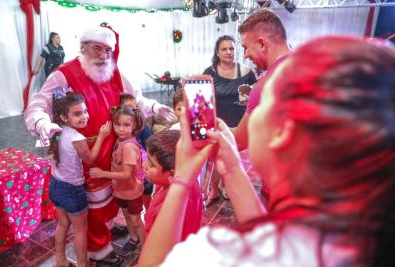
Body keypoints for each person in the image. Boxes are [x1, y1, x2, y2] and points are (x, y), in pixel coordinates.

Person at [137, 36, 395, 266]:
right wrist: (234, 170)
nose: (251, 112)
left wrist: (182, 180)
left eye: (259, 106)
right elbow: (269, 240)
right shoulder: (354, 236)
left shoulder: (222, 254)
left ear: (283, 132)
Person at [24, 25, 174, 265]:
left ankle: (107, 229)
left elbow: (135, 99)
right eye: (97, 49)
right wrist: (42, 123)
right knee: (93, 209)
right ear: (83, 48)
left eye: (108, 51)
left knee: (109, 202)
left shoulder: (114, 72)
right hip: (85, 155)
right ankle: (98, 249)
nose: (104, 56)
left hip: (114, 150)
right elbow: (38, 105)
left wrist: (155, 108)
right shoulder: (65, 74)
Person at [48, 91, 111, 267]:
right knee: (81, 230)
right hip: (71, 190)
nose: (84, 116)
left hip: (55, 185)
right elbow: (90, 159)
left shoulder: (58, 131)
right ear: (63, 117)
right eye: (77, 114)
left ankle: (60, 260)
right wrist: (102, 137)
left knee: (62, 224)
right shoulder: (77, 138)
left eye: (85, 111)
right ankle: (83, 264)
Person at [89, 105, 146, 256]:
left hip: (131, 191)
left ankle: (146, 247)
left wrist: (103, 173)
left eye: (126, 125)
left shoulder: (128, 147)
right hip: (121, 190)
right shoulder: (120, 140)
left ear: (134, 125)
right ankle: (134, 239)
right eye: (117, 124)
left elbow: (127, 174)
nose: (121, 129)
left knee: (136, 220)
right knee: (127, 215)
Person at [232, 8, 292, 151]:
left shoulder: (267, 87)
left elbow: (239, 141)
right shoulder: (309, 63)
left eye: (246, 47)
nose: (245, 55)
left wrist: (212, 128)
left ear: (261, 44)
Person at [143, 130, 203, 241]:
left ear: (172, 173)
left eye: (151, 164)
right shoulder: (186, 178)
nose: (144, 165)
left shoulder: (168, 211)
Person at [203, 35, 257, 128]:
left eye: (231, 49)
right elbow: (203, 103)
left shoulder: (247, 72)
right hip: (219, 126)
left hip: (243, 126)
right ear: (217, 53)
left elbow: (255, 101)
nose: (228, 52)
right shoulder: (208, 73)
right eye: (224, 49)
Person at [119, 93, 154, 210]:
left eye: (136, 108)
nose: (134, 111)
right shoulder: (120, 130)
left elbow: (151, 148)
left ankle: (150, 214)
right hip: (129, 175)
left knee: (146, 195)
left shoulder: (143, 128)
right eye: (130, 108)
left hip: (143, 171)